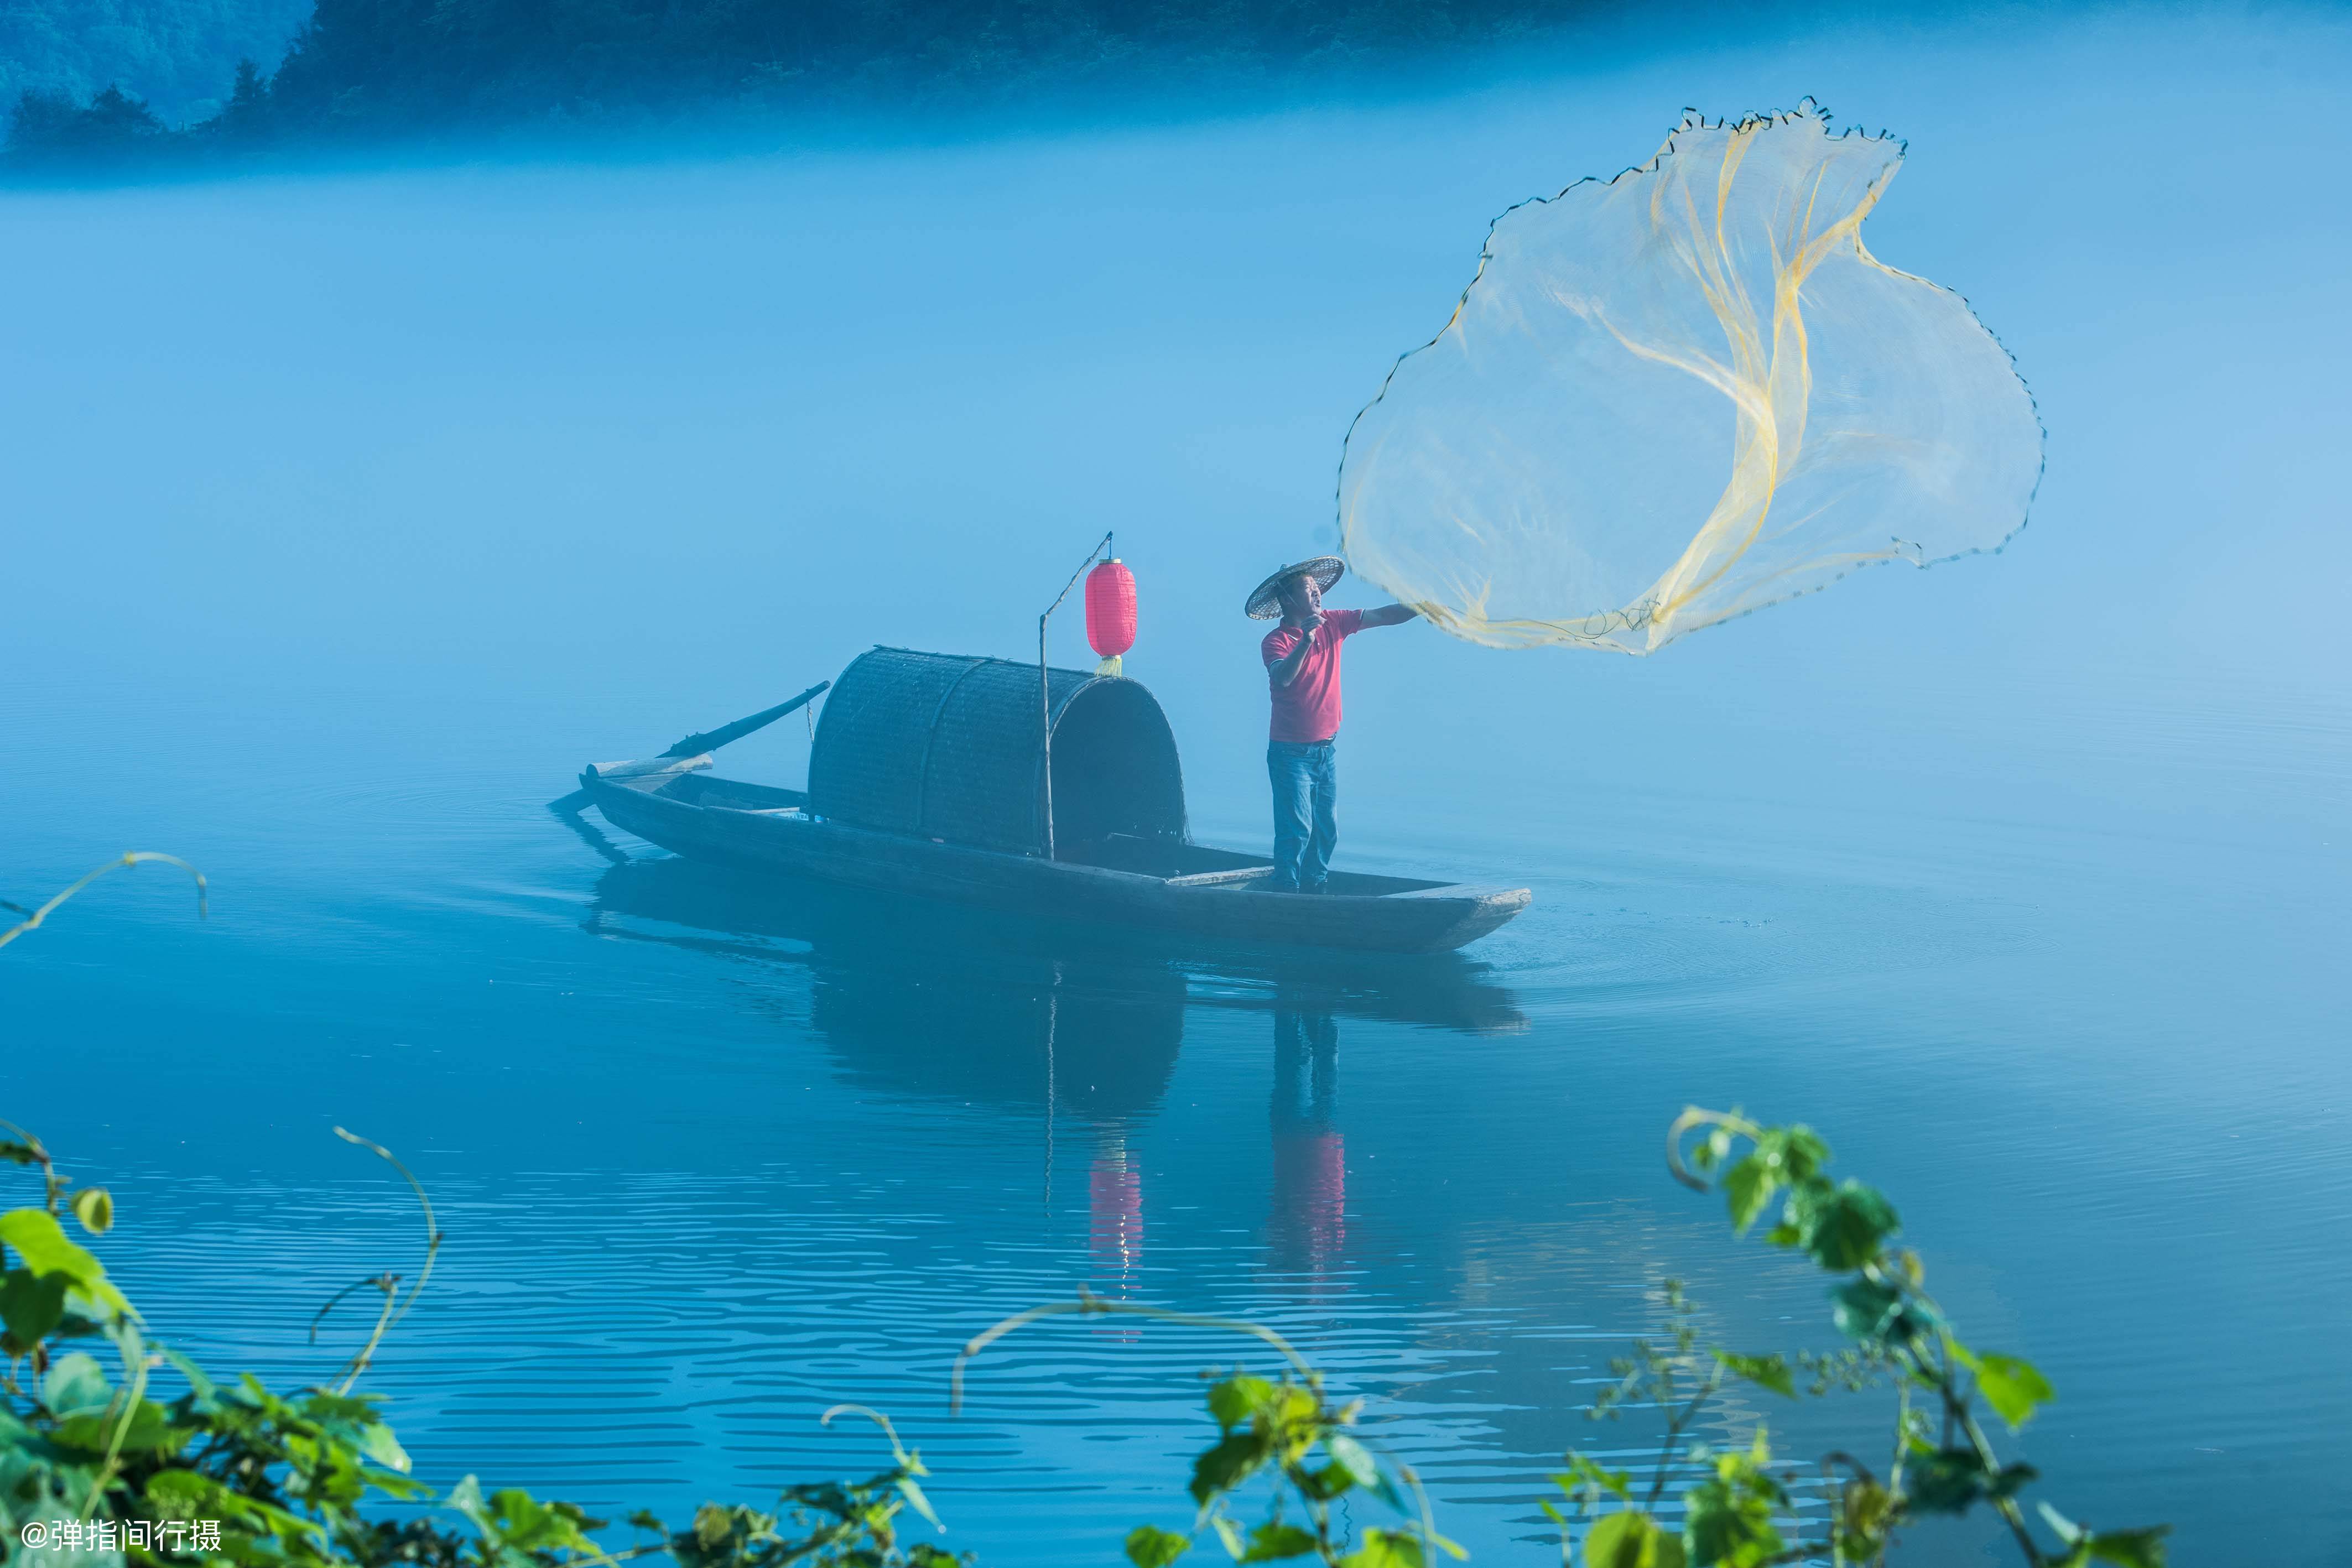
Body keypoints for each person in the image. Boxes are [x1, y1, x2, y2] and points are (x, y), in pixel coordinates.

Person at [1245, 558, 1419, 893]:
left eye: (1317, 590)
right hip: (1290, 754)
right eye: (1308, 591)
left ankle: (1315, 886)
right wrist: (1307, 640)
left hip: (1326, 750)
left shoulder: (1335, 623)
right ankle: (1285, 890)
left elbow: (1384, 616)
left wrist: (1423, 608)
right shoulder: (1276, 640)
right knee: (1297, 829)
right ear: (1288, 601)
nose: (1317, 597)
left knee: (1326, 829)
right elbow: (1282, 678)